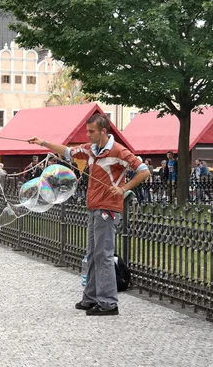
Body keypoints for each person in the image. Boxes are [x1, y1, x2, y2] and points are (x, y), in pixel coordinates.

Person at [28, 114, 149, 316]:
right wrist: (42, 142)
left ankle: (109, 303)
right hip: (94, 207)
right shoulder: (90, 150)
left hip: (108, 209)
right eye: (87, 131)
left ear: (103, 131)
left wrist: (123, 188)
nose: (88, 134)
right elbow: (67, 151)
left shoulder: (118, 150)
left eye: (92, 131)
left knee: (104, 256)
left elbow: (144, 171)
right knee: (93, 254)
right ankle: (91, 297)